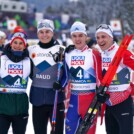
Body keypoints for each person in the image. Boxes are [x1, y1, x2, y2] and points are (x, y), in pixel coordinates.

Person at [28, 19, 67, 134]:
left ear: (52, 32)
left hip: (56, 99)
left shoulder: (61, 50)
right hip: (37, 99)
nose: (44, 35)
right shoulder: (31, 50)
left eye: (47, 31)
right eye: (41, 32)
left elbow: (67, 74)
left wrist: (60, 84)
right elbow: (29, 71)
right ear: (37, 33)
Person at [95, 24, 134, 134]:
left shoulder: (122, 52)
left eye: (103, 37)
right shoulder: (101, 55)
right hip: (108, 103)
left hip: (123, 102)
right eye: (98, 37)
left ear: (111, 37)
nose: (100, 40)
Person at [64, 21, 102, 134]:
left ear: (86, 36)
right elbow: (65, 77)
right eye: (74, 36)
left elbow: (100, 78)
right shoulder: (67, 54)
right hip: (73, 101)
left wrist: (101, 94)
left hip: (90, 100)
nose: (77, 39)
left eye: (81, 35)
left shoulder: (94, 54)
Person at [0, 31, 30, 134]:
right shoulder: (1, 59)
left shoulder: (28, 61)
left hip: (21, 108)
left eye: (21, 43)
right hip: (2, 108)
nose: (17, 45)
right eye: (15, 42)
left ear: (25, 46)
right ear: (10, 43)